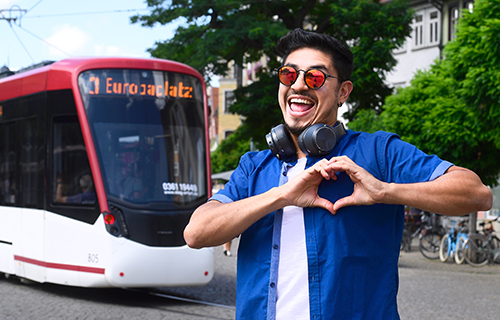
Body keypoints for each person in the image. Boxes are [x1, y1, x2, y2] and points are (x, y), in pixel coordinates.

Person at [184, 29, 493, 320]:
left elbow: (476, 193)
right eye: (289, 74)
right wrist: (281, 195)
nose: (299, 85)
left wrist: (385, 192)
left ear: (343, 92)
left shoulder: (379, 152)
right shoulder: (254, 166)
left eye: (315, 77)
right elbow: (196, 233)